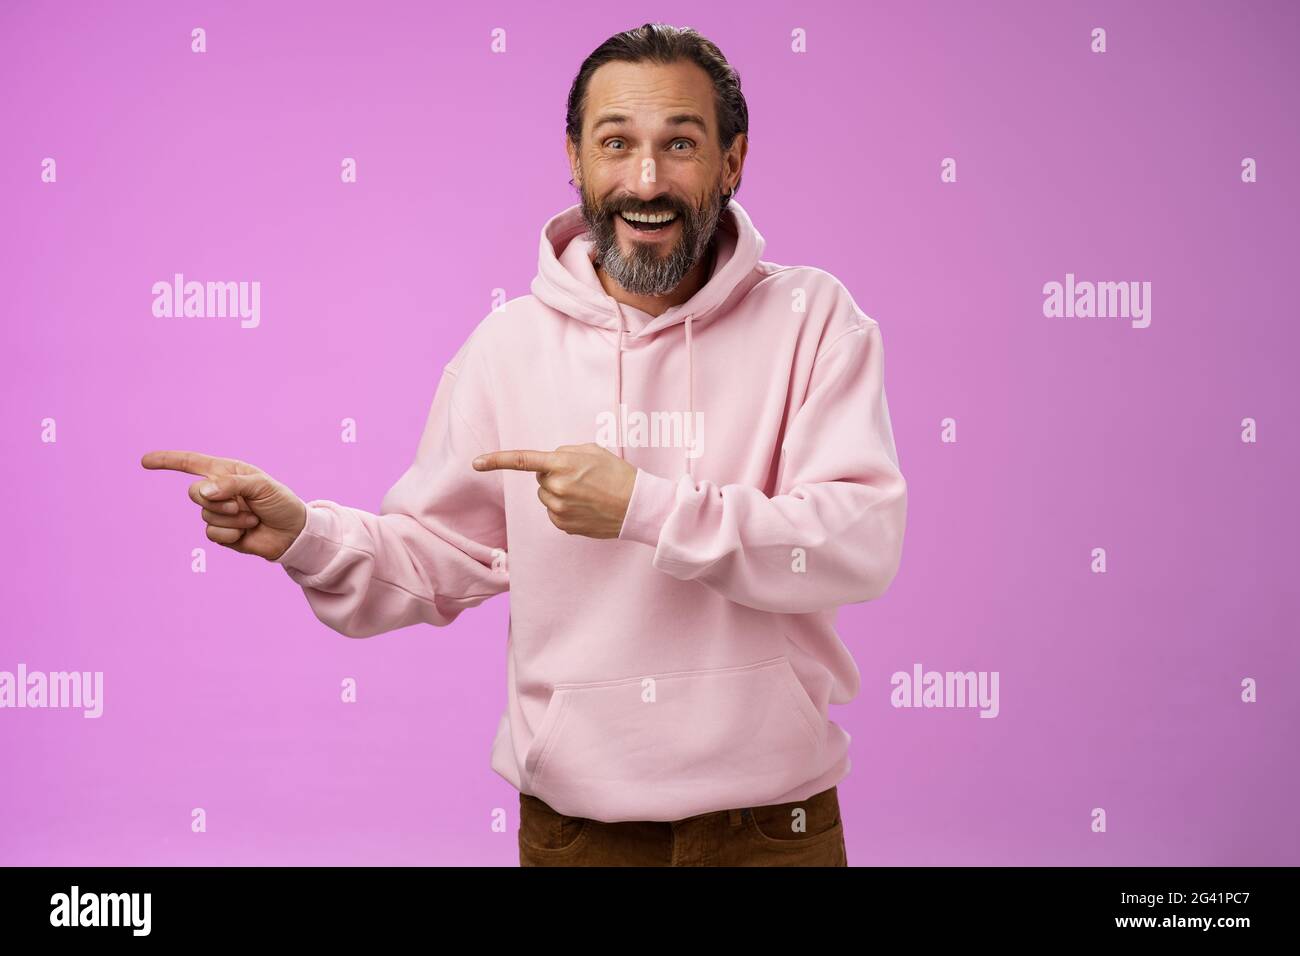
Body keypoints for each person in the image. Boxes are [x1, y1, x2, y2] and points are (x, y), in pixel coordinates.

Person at [141, 23, 907, 867]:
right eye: (616, 144)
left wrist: (642, 508)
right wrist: (306, 535)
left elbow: (855, 543)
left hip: (773, 831)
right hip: (578, 835)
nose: (646, 180)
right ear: (575, 159)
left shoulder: (814, 320)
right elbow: (434, 557)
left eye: (680, 144)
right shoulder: (506, 348)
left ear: (732, 162)